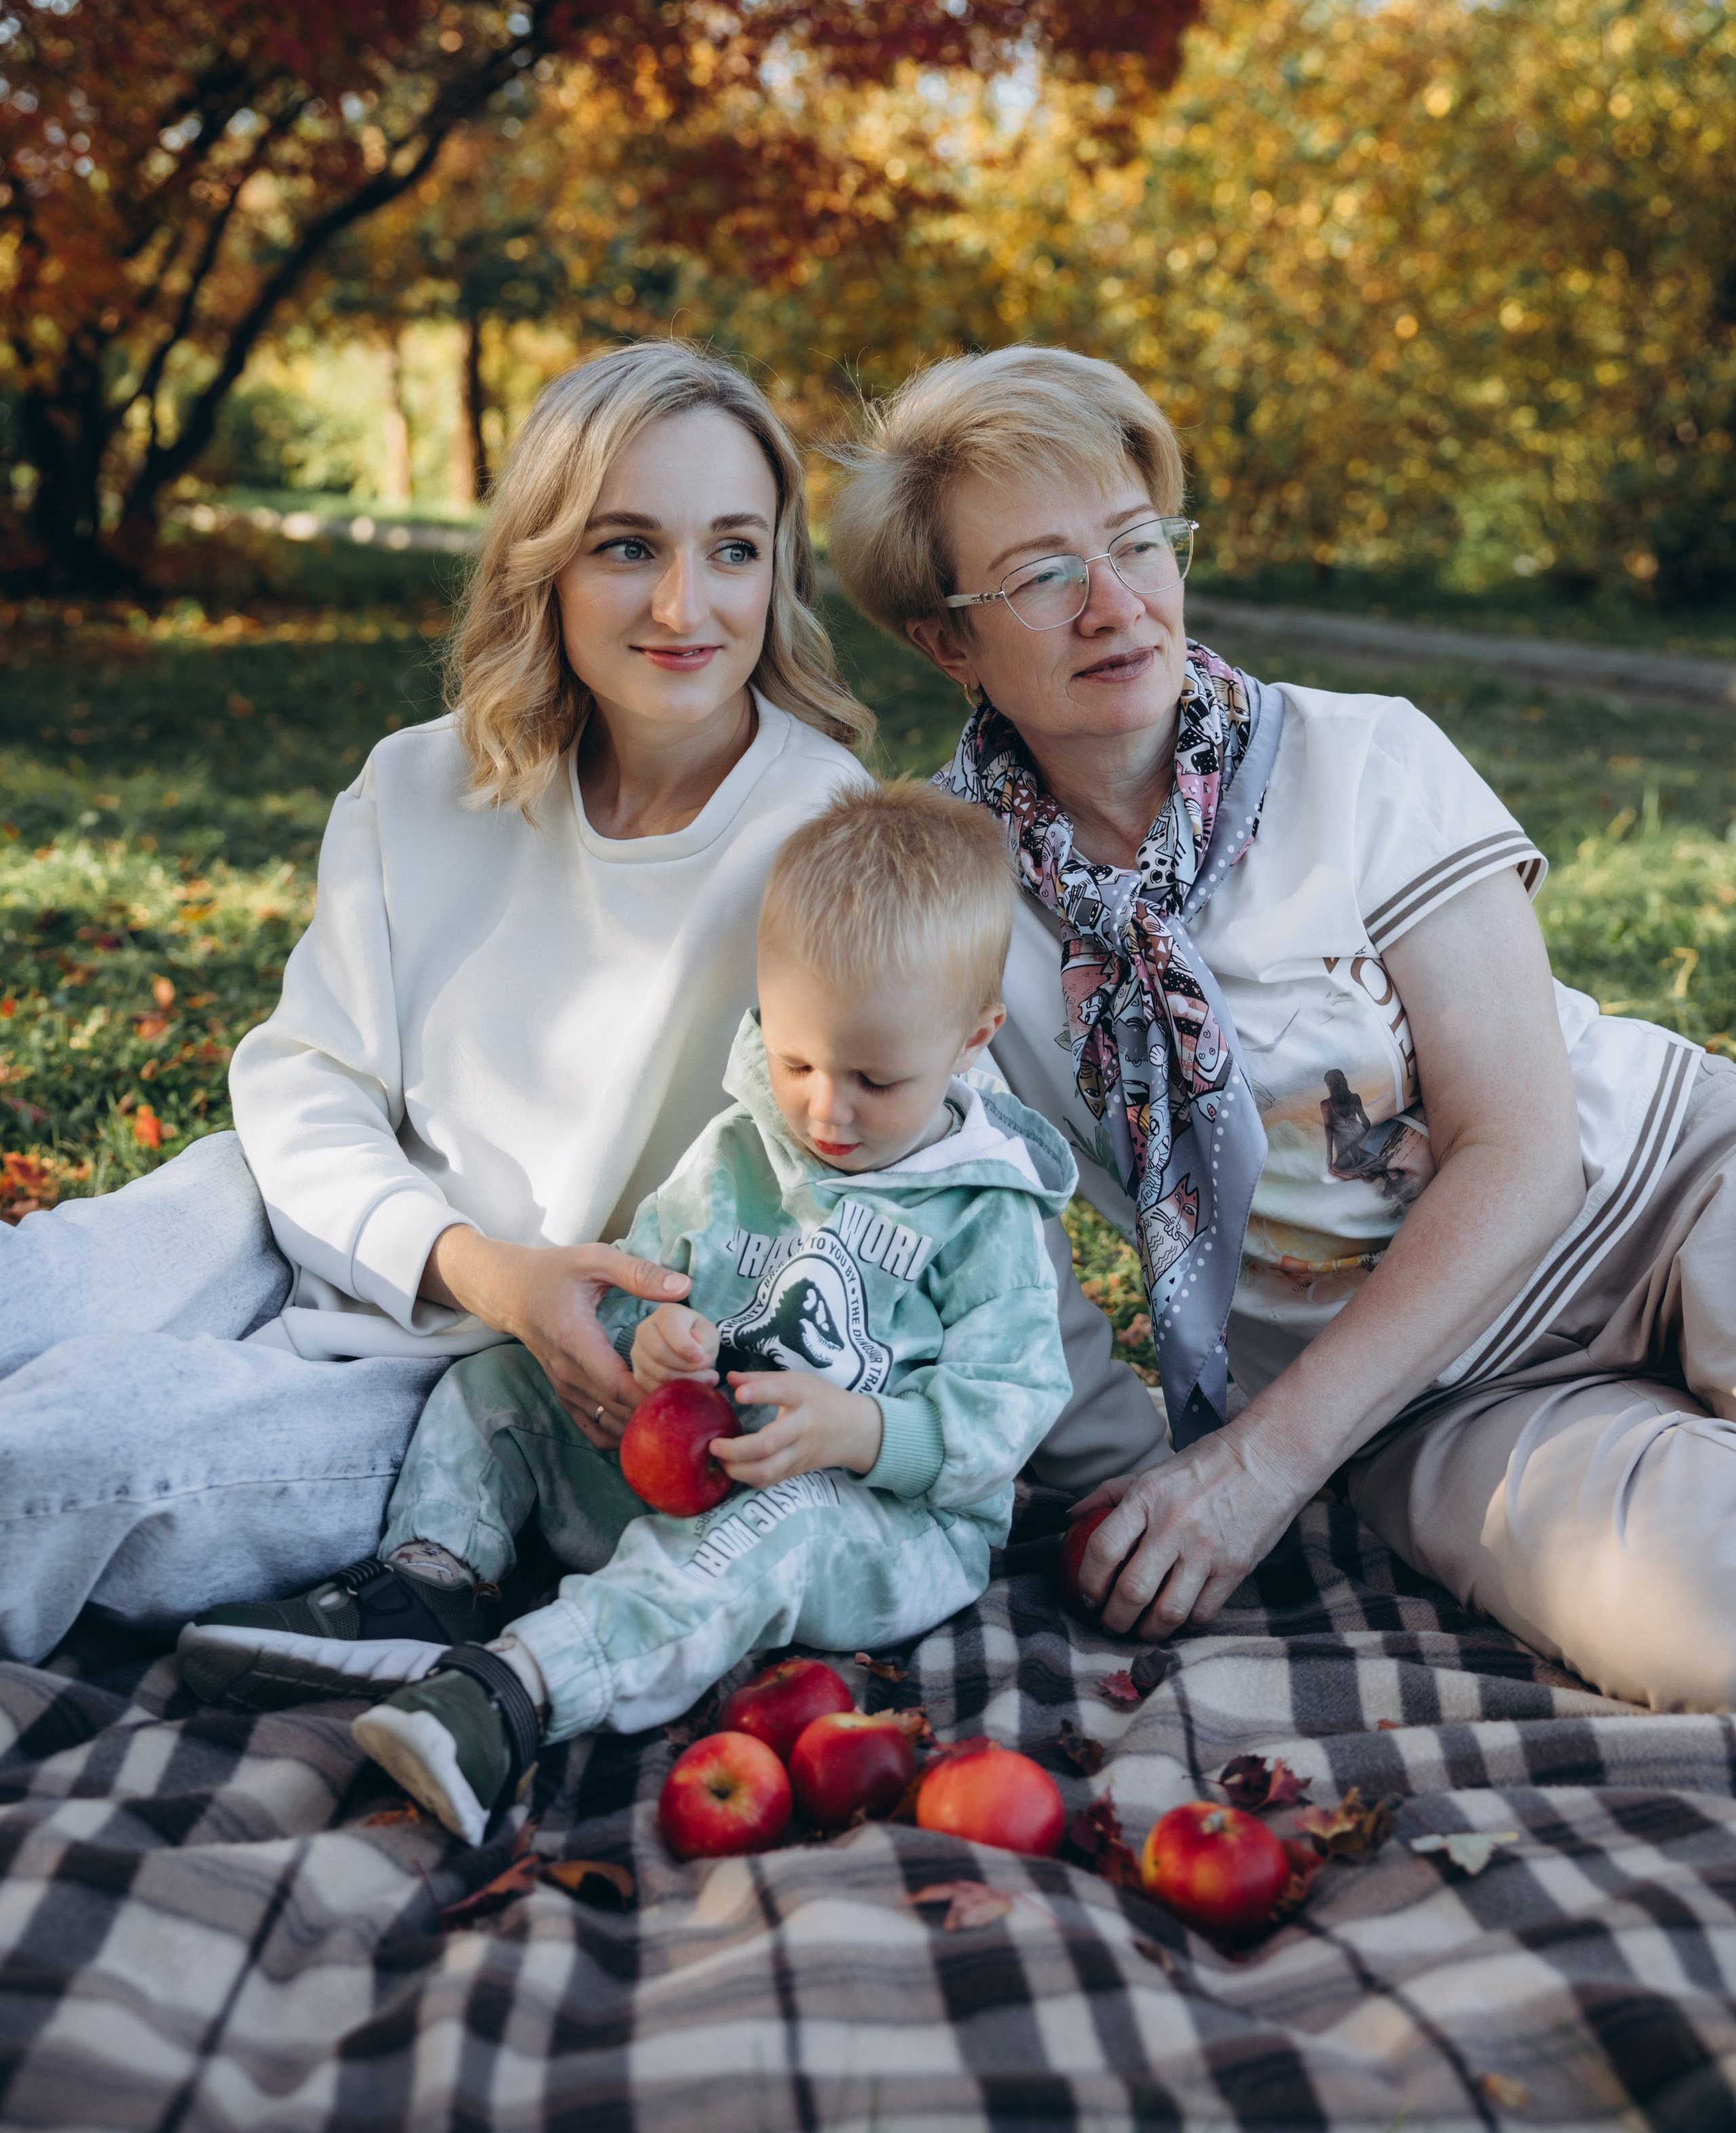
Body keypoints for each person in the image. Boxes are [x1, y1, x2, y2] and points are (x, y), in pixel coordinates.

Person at [829, 345, 1736, 1713]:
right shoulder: (944, 908)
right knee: (1707, 1622)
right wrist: (1147, 1472)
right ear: (945, 639)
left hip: (1666, 1194)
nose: (1115, 605)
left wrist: (1260, 1466)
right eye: (1041, 575)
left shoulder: (1362, 759)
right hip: (1430, 1406)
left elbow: (1525, 1148)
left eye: (1137, 542)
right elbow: (992, 1240)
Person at [0, 343, 875, 1662]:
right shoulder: (420, 784)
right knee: (32, 1291)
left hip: (496, 1375)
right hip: (302, 1214)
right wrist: (457, 1253)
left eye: (734, 550)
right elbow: (308, 1081)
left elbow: (919, 1162)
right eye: (627, 546)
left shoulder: (824, 845)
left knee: (68, 1451)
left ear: (779, 572)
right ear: (546, 562)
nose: (684, 603)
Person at [176, 783, 1076, 1846]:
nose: (827, 1108)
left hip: (874, 1525)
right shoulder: (743, 1147)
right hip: (690, 1470)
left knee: (775, 1524)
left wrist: (865, 1432)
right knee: (496, 1380)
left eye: (877, 1080)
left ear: (973, 1038)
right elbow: (651, 1275)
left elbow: (1012, 1405)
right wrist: (652, 1344)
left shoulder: (985, 1211)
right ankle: (431, 1583)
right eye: (797, 1062)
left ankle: (518, 1692)